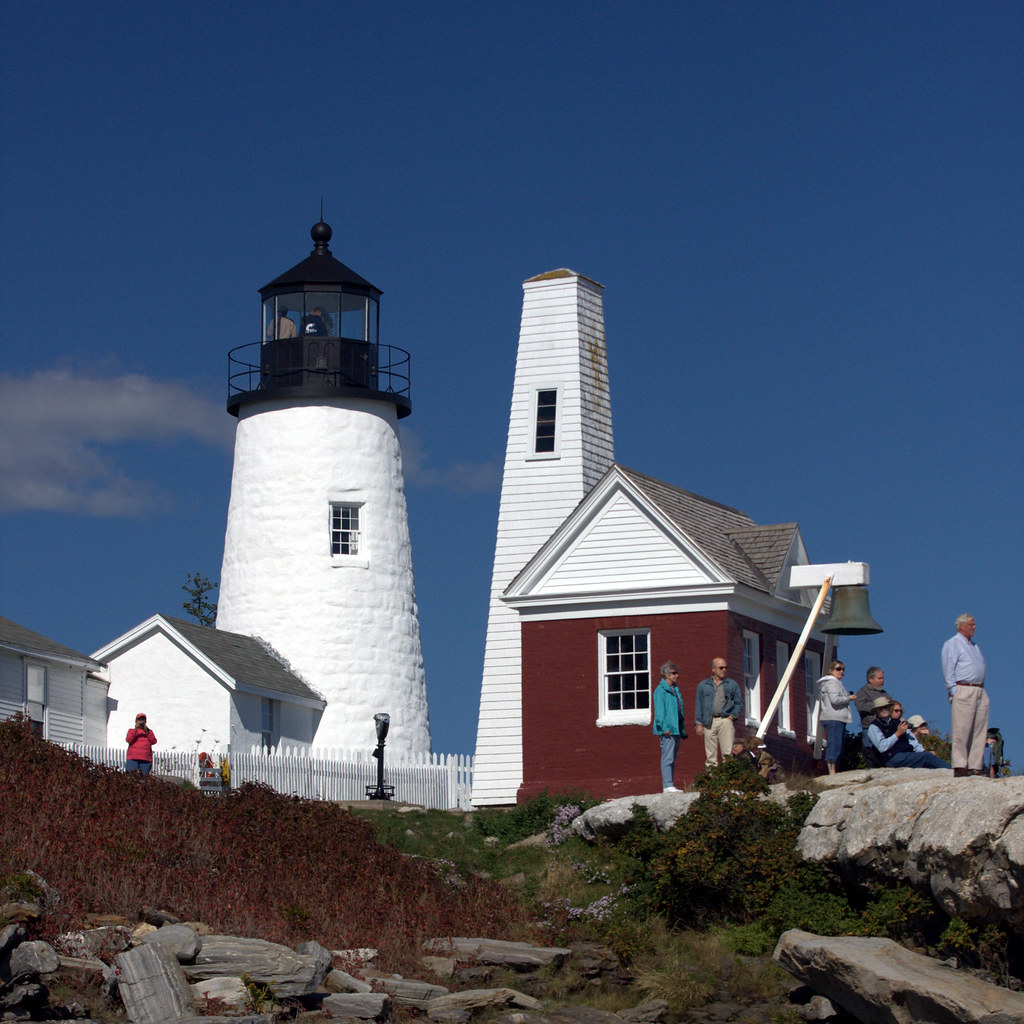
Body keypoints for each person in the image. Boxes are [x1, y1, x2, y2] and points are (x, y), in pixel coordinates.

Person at [942, 613, 989, 778]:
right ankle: (960, 765)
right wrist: (954, 690)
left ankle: (975, 765)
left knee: (979, 728)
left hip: (979, 689)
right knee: (962, 728)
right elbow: (948, 669)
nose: (974, 627)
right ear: (961, 626)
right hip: (964, 688)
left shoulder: (974, 646)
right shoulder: (953, 644)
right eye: (971, 624)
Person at [866, 698, 950, 769]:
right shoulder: (874, 727)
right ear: (876, 711)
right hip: (892, 758)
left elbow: (911, 741)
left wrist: (923, 751)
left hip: (907, 755)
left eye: (886, 707)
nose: (884, 709)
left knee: (928, 761)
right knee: (926, 758)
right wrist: (897, 734)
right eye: (881, 708)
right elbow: (882, 747)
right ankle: (952, 771)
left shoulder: (898, 722)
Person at [694, 658, 742, 770]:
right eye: (721, 668)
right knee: (710, 755)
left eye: (726, 667)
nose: (724, 670)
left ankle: (727, 781)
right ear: (713, 669)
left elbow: (739, 703)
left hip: (725, 720)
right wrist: (698, 724)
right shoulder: (703, 685)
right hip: (709, 721)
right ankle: (713, 781)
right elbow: (699, 705)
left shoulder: (732, 684)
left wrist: (731, 716)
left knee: (727, 753)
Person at [653, 661, 687, 792]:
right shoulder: (660, 690)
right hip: (668, 729)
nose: (676, 676)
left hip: (676, 728)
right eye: (673, 673)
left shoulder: (675, 689)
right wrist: (664, 727)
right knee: (667, 757)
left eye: (676, 673)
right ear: (666, 674)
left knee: (673, 756)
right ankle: (667, 785)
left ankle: (670, 783)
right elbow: (659, 712)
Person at [817, 659, 854, 775]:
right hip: (833, 718)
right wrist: (849, 698)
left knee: (836, 744)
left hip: (835, 718)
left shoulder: (833, 683)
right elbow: (835, 700)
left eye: (843, 669)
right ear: (831, 670)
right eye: (838, 669)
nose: (841, 671)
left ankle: (833, 768)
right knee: (834, 744)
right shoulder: (832, 683)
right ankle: (831, 770)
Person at [853, 667, 891, 739]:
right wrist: (878, 705)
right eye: (879, 678)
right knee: (870, 749)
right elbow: (860, 706)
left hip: (885, 728)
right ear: (870, 679)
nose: (882, 681)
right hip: (870, 728)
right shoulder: (863, 691)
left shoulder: (884, 693)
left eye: (883, 678)